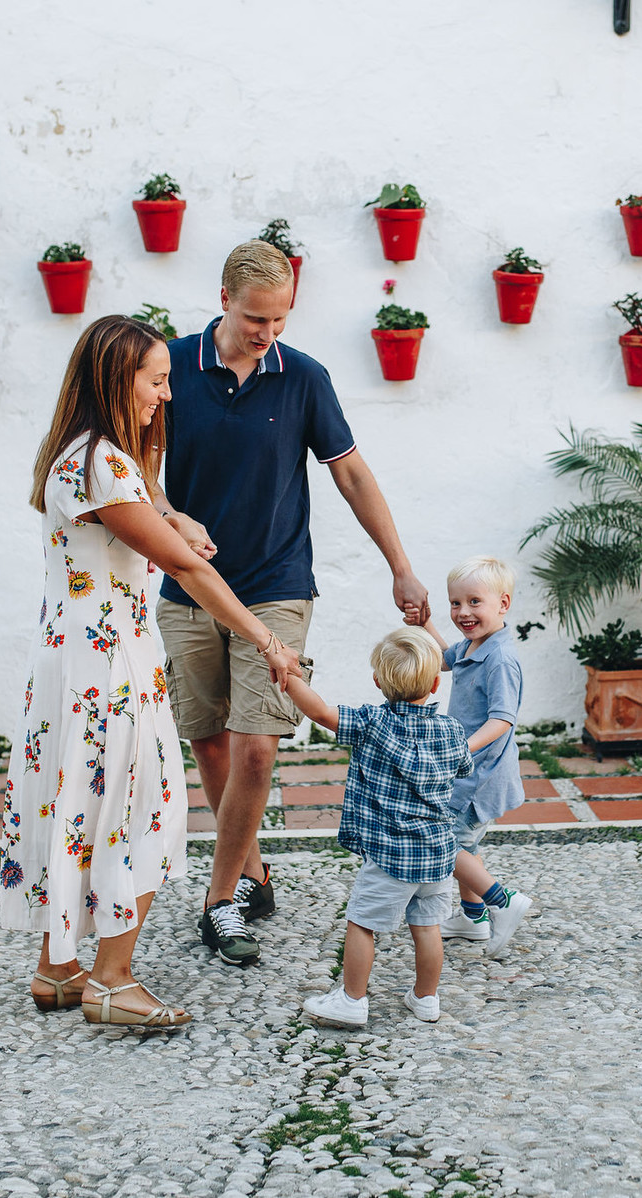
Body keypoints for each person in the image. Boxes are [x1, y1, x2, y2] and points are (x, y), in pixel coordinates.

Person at [3, 315, 302, 1027]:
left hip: (72, 658)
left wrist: (174, 516)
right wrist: (262, 634)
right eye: (157, 382)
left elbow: (150, 513)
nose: (166, 396)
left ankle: (58, 968)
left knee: (76, 804)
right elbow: (180, 565)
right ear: (116, 381)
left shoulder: (79, 453)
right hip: (108, 665)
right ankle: (112, 980)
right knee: (150, 811)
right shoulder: (105, 461)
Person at [153, 240, 429, 968]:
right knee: (209, 739)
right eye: (254, 318)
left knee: (256, 748)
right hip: (186, 585)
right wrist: (172, 515)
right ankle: (253, 872)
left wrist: (400, 567)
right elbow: (132, 465)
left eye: (279, 320)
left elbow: (353, 476)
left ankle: (218, 903)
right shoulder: (172, 366)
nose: (266, 334)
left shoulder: (304, 378)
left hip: (277, 585)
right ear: (223, 297)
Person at [284, 629, 473, 1028]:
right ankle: (426, 998)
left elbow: (320, 713)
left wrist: (291, 678)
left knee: (362, 923)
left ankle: (352, 1001)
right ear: (437, 682)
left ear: (377, 682)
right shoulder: (453, 732)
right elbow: (463, 769)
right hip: (438, 853)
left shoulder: (372, 724)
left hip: (391, 855)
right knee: (427, 926)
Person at [409, 556, 533, 956]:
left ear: (503, 604)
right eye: (456, 603)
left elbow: (502, 720)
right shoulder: (475, 645)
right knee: (468, 844)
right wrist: (424, 624)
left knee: (445, 842)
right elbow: (445, 659)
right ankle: (471, 917)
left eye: (475, 602)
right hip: (465, 772)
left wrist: (460, 748)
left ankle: (503, 901)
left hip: (480, 776)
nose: (463, 612)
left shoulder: (500, 659)